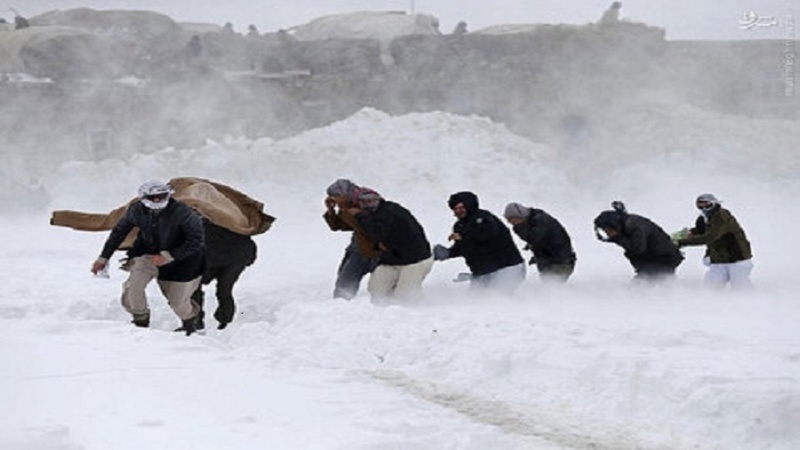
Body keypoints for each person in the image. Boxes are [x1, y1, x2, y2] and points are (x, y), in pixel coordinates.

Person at [90, 181, 205, 335]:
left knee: (178, 302)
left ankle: (189, 324)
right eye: (153, 197)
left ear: (168, 195)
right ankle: (140, 323)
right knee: (133, 289)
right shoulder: (136, 210)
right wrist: (103, 258)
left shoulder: (183, 213)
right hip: (147, 255)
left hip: (182, 260)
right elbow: (119, 232)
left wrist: (169, 256)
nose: (157, 200)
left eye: (161, 197)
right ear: (144, 198)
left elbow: (196, 241)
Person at [352, 187, 433, 302]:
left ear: (378, 200)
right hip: (392, 258)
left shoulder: (389, 211)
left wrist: (359, 216)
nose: (367, 204)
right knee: (376, 289)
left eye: (370, 201)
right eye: (362, 202)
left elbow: (377, 232)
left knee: (406, 295)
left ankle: (422, 311)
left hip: (416, 259)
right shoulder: (373, 214)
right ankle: (384, 314)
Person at [433, 192, 525, 293]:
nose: (458, 211)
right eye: (455, 209)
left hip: (507, 269)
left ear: (470, 205)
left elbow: (487, 233)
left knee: (496, 300)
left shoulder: (484, 218)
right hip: (482, 274)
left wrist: (464, 236)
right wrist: (447, 253)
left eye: (461, 207)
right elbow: (463, 247)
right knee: (475, 302)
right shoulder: (459, 226)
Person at [188, 219, 257, 330]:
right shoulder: (233, 214)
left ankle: (196, 320)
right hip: (237, 256)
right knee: (225, 290)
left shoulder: (199, 215)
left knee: (194, 288)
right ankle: (225, 321)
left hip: (212, 256)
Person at [674, 193, 753, 289]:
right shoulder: (703, 219)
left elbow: (710, 236)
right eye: (700, 206)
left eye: (707, 205)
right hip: (718, 260)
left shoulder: (722, 216)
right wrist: (684, 234)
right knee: (711, 290)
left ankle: (758, 302)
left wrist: (682, 242)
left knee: (741, 290)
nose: (704, 209)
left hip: (737, 259)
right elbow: (700, 230)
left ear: (714, 203)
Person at [593, 201, 683, 284]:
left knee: (643, 288)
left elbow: (638, 250)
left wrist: (618, 238)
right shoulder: (627, 225)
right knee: (645, 286)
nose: (607, 233)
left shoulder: (636, 227)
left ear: (614, 225)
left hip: (663, 259)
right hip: (654, 260)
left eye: (608, 230)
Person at [323, 179, 380, 299]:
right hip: (358, 246)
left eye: (335, 196)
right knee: (344, 282)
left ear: (344, 193)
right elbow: (339, 226)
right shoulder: (348, 203)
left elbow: (371, 226)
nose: (334, 199)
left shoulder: (367, 200)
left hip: (374, 248)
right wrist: (331, 210)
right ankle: (342, 306)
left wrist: (348, 211)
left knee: (381, 285)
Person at [503, 202, 576, 283]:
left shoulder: (539, 220)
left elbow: (533, 238)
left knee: (552, 287)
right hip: (552, 260)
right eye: (508, 219)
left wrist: (519, 227)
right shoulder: (533, 219)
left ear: (519, 215)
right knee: (549, 285)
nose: (510, 222)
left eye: (511, 219)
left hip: (560, 262)